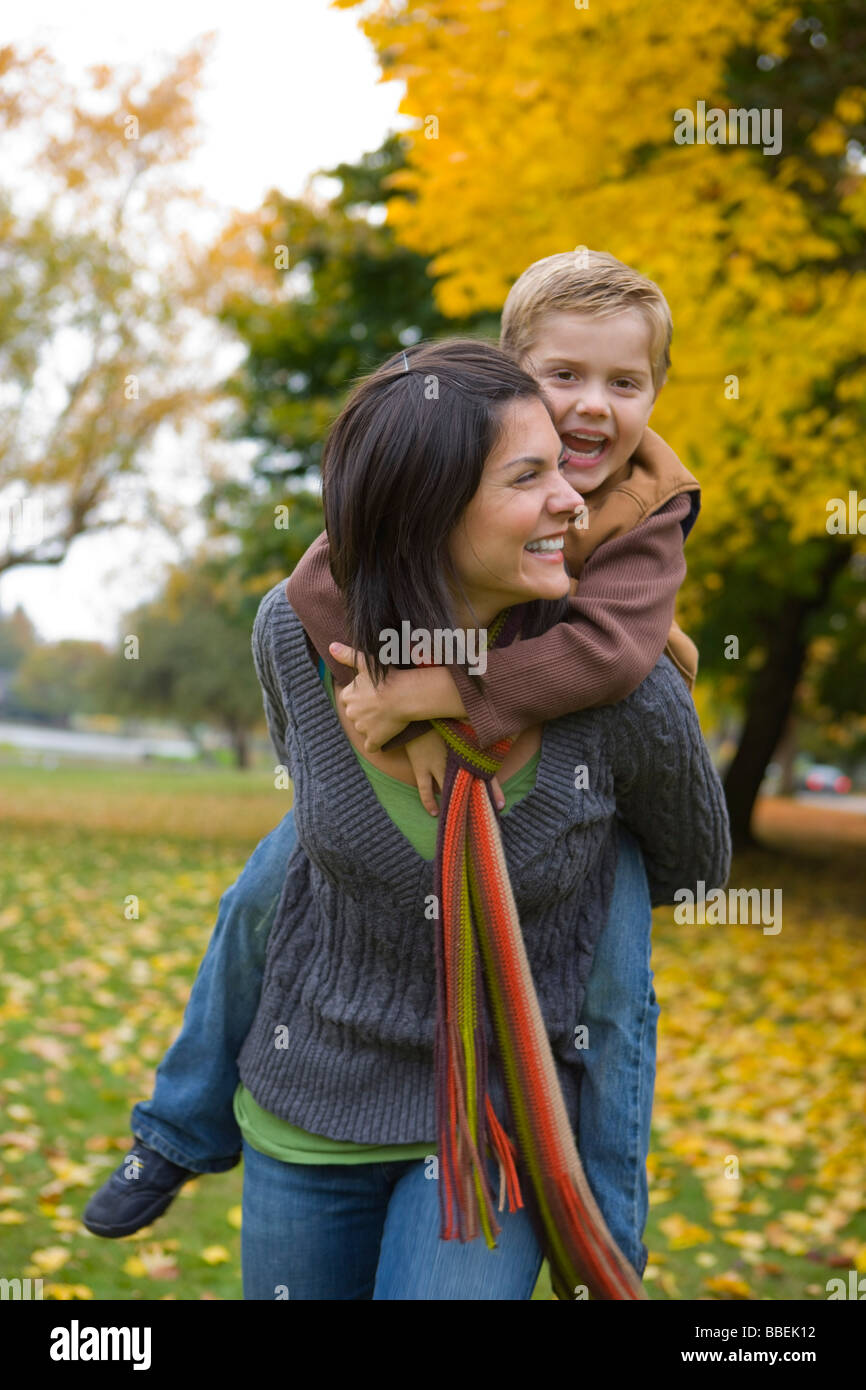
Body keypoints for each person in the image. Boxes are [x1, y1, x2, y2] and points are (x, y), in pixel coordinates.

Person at [82, 255, 715, 1289]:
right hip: (320, 1083)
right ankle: (178, 1121)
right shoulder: (420, 475)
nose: (591, 413)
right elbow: (317, 593)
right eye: (561, 381)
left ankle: (608, 1245)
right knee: (267, 887)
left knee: (609, 995)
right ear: (504, 387)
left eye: (626, 384)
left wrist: (450, 697)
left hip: (575, 844)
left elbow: (609, 658)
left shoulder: (647, 508)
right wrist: (382, 705)